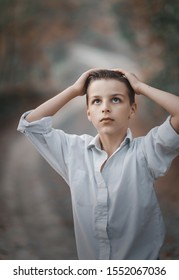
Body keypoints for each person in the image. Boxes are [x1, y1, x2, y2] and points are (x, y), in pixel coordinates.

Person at [17, 68, 179, 260]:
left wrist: (140, 87)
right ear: (88, 112)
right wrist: (73, 90)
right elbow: (30, 125)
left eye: (116, 99)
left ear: (132, 109)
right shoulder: (74, 151)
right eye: (96, 101)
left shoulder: (146, 152)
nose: (105, 108)